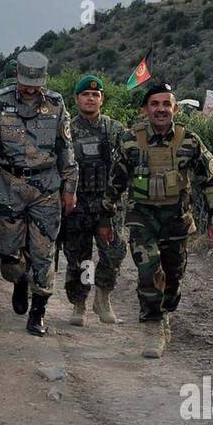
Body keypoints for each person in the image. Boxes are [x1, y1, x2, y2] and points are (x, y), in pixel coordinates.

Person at [101, 82, 213, 358]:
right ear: (145, 109)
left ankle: (165, 311)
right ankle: (152, 325)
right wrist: (106, 214)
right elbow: (116, 181)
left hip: (176, 220)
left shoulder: (190, 140)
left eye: (166, 104)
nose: (160, 109)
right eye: (154, 104)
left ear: (175, 108)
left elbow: (210, 181)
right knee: (148, 270)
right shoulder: (130, 140)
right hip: (141, 217)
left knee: (173, 276)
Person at [0, 51, 76, 336]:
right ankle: (20, 279)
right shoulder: (0, 101)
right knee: (8, 254)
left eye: (35, 84)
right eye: (25, 83)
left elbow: (66, 150)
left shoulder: (56, 104)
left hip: (46, 188)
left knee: (44, 252)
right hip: (9, 186)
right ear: (17, 77)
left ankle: (38, 311)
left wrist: (70, 188)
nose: (30, 89)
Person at [61, 75, 128, 326]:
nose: (91, 98)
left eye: (96, 94)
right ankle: (80, 303)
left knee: (113, 253)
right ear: (76, 98)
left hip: (108, 206)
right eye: (86, 94)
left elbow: (130, 158)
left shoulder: (114, 129)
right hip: (77, 204)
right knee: (80, 258)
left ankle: (103, 296)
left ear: (102, 99)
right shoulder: (67, 130)